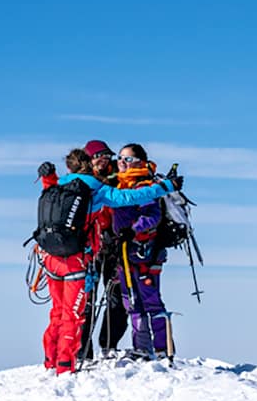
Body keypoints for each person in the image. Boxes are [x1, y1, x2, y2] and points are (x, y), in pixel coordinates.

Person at [37, 148, 182, 374]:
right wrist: (166, 187)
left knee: (57, 312)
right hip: (77, 260)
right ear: (88, 165)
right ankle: (65, 366)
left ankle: (50, 361)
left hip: (51, 259)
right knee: (72, 315)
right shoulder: (95, 188)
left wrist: (48, 177)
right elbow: (131, 198)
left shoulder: (60, 184)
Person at [109, 142, 174, 357]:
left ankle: (164, 349)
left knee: (151, 300)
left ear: (139, 162)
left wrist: (133, 230)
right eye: (119, 157)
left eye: (127, 159)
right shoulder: (118, 186)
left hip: (145, 252)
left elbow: (152, 216)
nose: (121, 162)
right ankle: (142, 348)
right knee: (132, 302)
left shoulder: (144, 186)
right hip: (125, 253)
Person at [78, 138, 128, 360]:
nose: (102, 160)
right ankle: (83, 349)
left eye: (106, 156)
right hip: (91, 245)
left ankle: (108, 344)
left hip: (113, 243)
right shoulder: (83, 183)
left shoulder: (118, 180)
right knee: (87, 298)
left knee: (116, 297)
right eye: (98, 156)